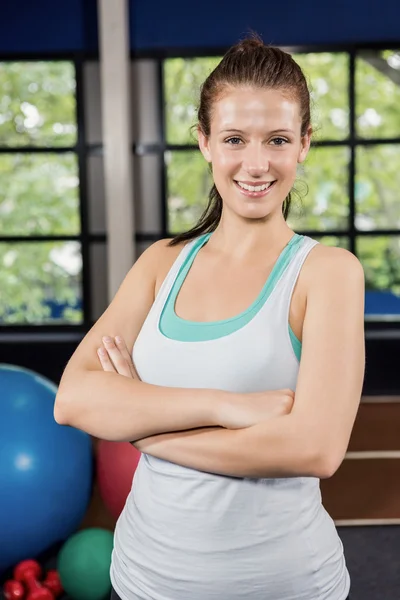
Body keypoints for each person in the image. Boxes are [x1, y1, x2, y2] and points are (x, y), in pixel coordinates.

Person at [54, 35, 365, 600]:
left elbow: (314, 449)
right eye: (233, 139)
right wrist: (230, 408)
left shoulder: (327, 273)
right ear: (204, 143)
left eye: (277, 139)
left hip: (282, 585)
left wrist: (145, 429)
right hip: (144, 578)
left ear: (304, 145)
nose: (255, 162)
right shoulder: (160, 263)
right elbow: (73, 398)